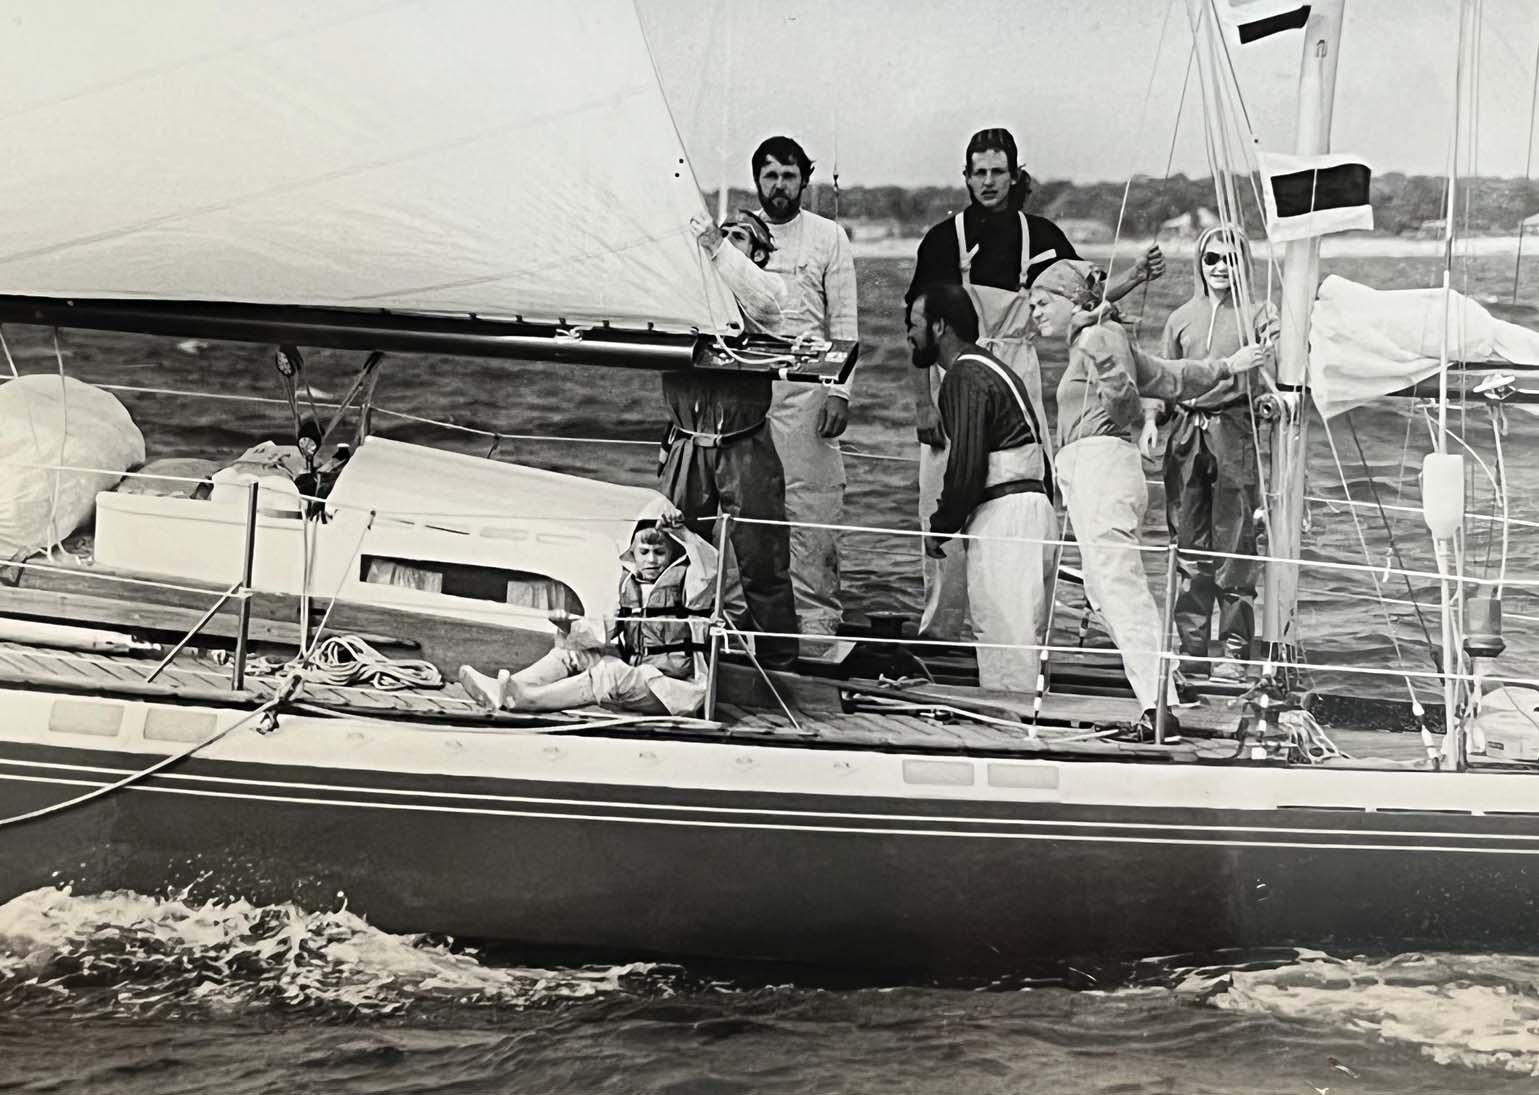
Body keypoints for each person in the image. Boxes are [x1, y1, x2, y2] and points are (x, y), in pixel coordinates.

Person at [904, 127, 1165, 640]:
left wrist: (1134, 277)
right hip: (953, 377)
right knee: (942, 498)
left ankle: (1023, 633)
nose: (988, 182)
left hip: (1018, 371)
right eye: (979, 172)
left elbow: (1082, 298)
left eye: (997, 172)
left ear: (1013, 175)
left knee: (1026, 496)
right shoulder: (942, 240)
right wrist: (923, 406)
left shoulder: (1041, 235)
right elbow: (914, 328)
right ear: (966, 177)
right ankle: (940, 635)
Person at [1027, 259, 1268, 738]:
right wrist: (1226, 366)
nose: (1035, 312)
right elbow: (1172, 376)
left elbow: (1123, 395)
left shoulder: (1098, 335)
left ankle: (1160, 708)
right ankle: (1165, 692)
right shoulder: (1097, 336)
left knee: (1119, 590)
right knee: (1105, 592)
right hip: (1094, 472)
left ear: (1074, 300)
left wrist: (1126, 407)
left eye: (1042, 302)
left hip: (1100, 468)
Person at [655, 210, 800, 669]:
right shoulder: (684, 291)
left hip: (744, 445)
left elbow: (764, 300)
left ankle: (778, 663)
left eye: (739, 236)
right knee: (675, 552)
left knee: (763, 559)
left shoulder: (767, 294)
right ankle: (674, 654)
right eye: (724, 232)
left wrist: (719, 247)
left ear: (758, 253)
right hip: (687, 444)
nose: (724, 239)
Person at [909, 283, 1057, 692]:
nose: (909, 335)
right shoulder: (994, 368)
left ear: (939, 327)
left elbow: (967, 465)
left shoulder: (963, 376)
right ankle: (1026, 715)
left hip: (1006, 520)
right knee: (1025, 637)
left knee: (1003, 639)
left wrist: (940, 527)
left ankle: (1009, 722)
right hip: (1035, 510)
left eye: (914, 325)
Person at [1159, 226, 1278, 682]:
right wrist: (1150, 421)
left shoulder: (1260, 314)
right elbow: (1163, 381)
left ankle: (1233, 653)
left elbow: (1281, 360)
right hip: (1187, 435)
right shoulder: (1180, 318)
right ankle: (1191, 654)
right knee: (1189, 549)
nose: (1220, 267)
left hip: (1234, 433)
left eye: (1231, 258)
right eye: (1212, 258)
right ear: (1200, 262)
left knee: (1236, 546)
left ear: (1244, 263)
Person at [753, 135, 858, 644]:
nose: (780, 185)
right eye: (770, 175)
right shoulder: (739, 237)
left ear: (804, 180)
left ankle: (816, 624)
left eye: (789, 176)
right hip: (751, 391)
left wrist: (841, 392)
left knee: (812, 510)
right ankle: (748, 624)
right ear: (757, 180)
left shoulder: (828, 237)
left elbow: (845, 321)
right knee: (750, 510)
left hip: (811, 392)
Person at [457, 521, 716, 715]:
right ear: (634, 555)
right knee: (572, 654)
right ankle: (503, 688)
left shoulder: (689, 587)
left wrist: (682, 533)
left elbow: (712, 568)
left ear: (672, 555)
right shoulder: (628, 587)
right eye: (644, 552)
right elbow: (601, 634)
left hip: (672, 690)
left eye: (659, 552)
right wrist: (570, 626)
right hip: (638, 677)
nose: (651, 560)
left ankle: (528, 699)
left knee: (610, 672)